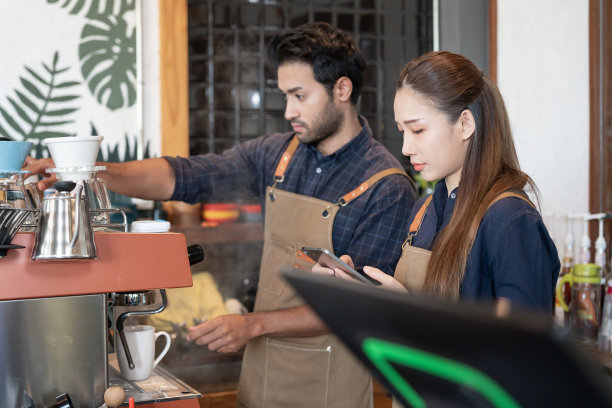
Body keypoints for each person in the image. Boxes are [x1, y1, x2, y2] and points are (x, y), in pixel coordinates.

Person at [25, 22, 418, 407]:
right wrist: (90, 173)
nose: (288, 111)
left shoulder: (386, 187)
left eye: (299, 95)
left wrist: (253, 324)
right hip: (263, 372)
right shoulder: (278, 154)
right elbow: (184, 176)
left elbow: (358, 306)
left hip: (331, 384)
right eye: (284, 96)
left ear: (342, 89)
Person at [315, 50, 560, 313]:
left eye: (418, 130)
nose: (406, 148)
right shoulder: (424, 211)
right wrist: (354, 290)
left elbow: (522, 348)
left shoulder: (510, 219)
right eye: (402, 131)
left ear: (465, 124)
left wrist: (410, 314)